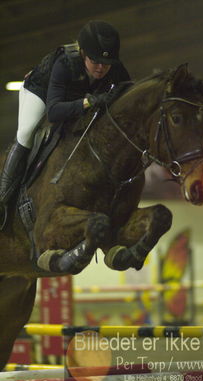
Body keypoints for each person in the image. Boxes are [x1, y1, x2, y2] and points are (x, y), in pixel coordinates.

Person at [0, 20, 130, 229]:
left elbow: (128, 92)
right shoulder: (64, 64)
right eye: (95, 61)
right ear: (83, 54)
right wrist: (88, 101)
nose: (101, 67)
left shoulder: (114, 67)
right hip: (42, 92)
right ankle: (3, 198)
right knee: (26, 132)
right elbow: (54, 112)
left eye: (106, 63)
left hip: (75, 97)